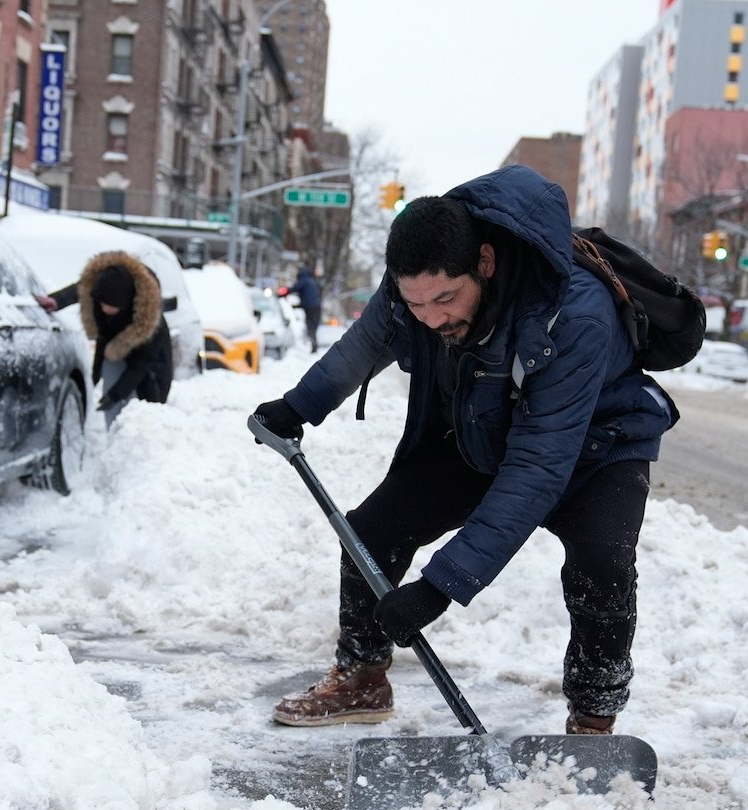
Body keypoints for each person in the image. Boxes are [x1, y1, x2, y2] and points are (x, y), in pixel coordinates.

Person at [251, 165, 678, 735]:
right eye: (418, 306)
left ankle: (594, 719)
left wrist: (438, 588)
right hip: (484, 428)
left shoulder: (573, 313)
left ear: (486, 261)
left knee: (603, 563)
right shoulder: (416, 286)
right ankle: (361, 677)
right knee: (372, 531)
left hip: (595, 446)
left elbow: (538, 464)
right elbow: (369, 341)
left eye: (446, 300)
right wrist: (299, 406)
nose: (432, 319)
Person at [78, 250, 173, 427]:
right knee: (113, 398)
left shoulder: (151, 322)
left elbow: (142, 364)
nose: (104, 309)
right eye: (102, 304)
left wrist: (115, 395)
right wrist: (56, 300)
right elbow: (80, 288)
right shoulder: (102, 299)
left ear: (125, 302)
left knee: (141, 415)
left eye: (110, 306)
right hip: (118, 356)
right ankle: (114, 435)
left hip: (149, 372)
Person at [293, 264, 323, 352]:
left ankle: (313, 342)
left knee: (310, 324)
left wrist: (284, 292)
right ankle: (314, 342)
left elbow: (294, 288)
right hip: (317, 306)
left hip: (309, 307)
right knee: (314, 325)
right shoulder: (313, 281)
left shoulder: (304, 280)